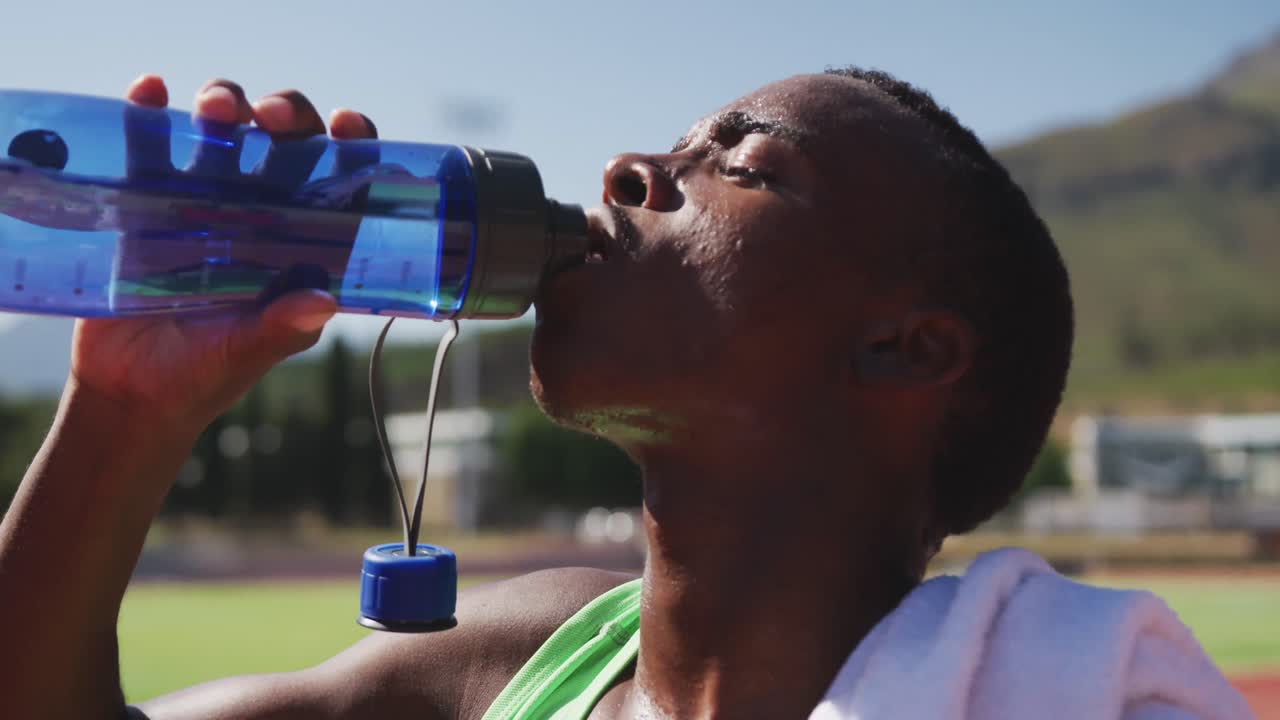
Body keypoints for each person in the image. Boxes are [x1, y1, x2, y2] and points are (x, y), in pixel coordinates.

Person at [0, 72, 1247, 720]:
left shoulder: (1071, 696)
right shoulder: (513, 662)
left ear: (902, 352)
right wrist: (125, 413)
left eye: (741, 164)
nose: (626, 169)